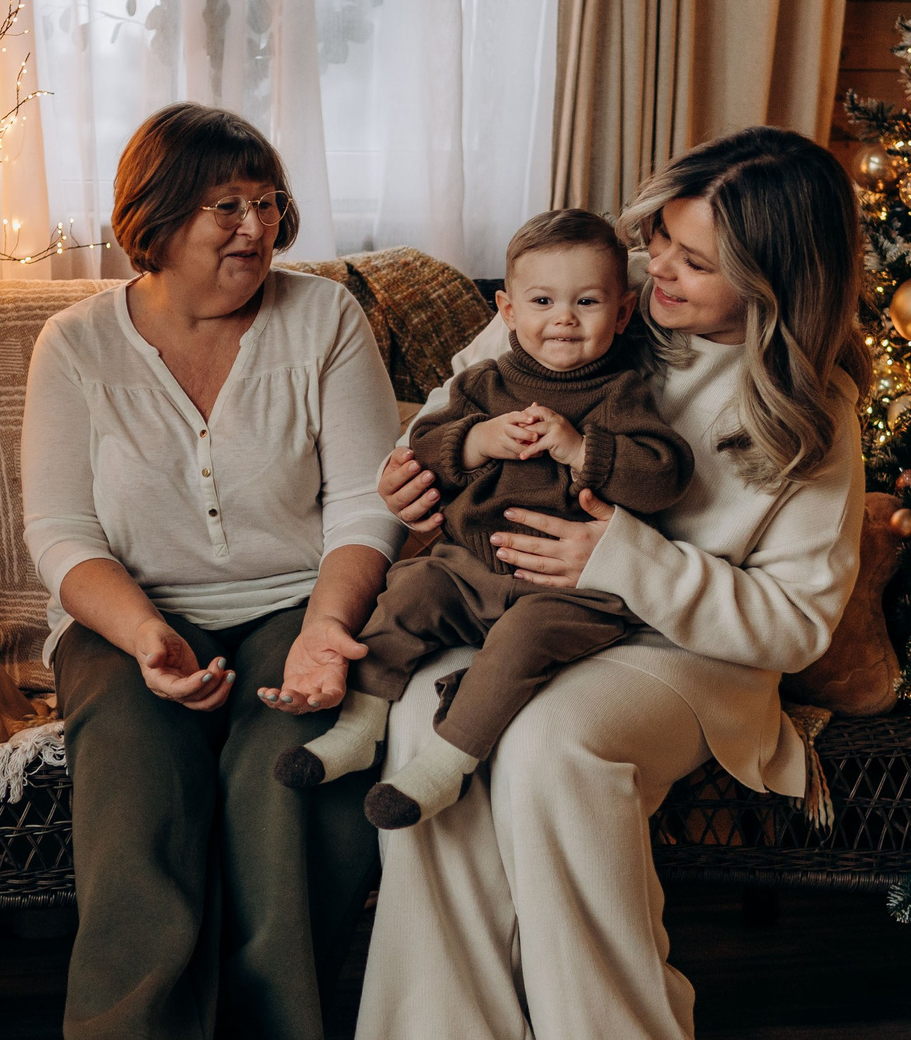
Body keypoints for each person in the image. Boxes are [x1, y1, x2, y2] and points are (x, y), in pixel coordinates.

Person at [347, 126, 873, 1040]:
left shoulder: (810, 416)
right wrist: (408, 479)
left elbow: (794, 626)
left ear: (773, 280)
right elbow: (442, 425)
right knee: (421, 725)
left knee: (551, 742)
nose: (656, 271)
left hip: (689, 655)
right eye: (661, 241)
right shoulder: (591, 304)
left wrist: (624, 557)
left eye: (693, 260)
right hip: (518, 620)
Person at [22, 103, 405, 1040]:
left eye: (265, 201)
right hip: (127, 609)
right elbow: (60, 529)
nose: (254, 226)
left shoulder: (323, 319)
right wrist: (146, 636)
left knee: (280, 778)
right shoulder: (77, 344)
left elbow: (365, 507)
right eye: (222, 206)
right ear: (153, 219)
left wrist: (329, 628)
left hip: (301, 597)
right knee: (138, 765)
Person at [272, 209, 692, 830]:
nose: (564, 319)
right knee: (407, 591)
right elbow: (421, 451)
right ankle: (358, 727)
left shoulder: (622, 392)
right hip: (469, 570)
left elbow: (665, 476)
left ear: (624, 312)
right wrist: (477, 441)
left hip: (573, 591)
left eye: (588, 301)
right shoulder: (482, 383)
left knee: (520, 642)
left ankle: (446, 763)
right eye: (543, 300)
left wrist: (583, 449)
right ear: (508, 310)